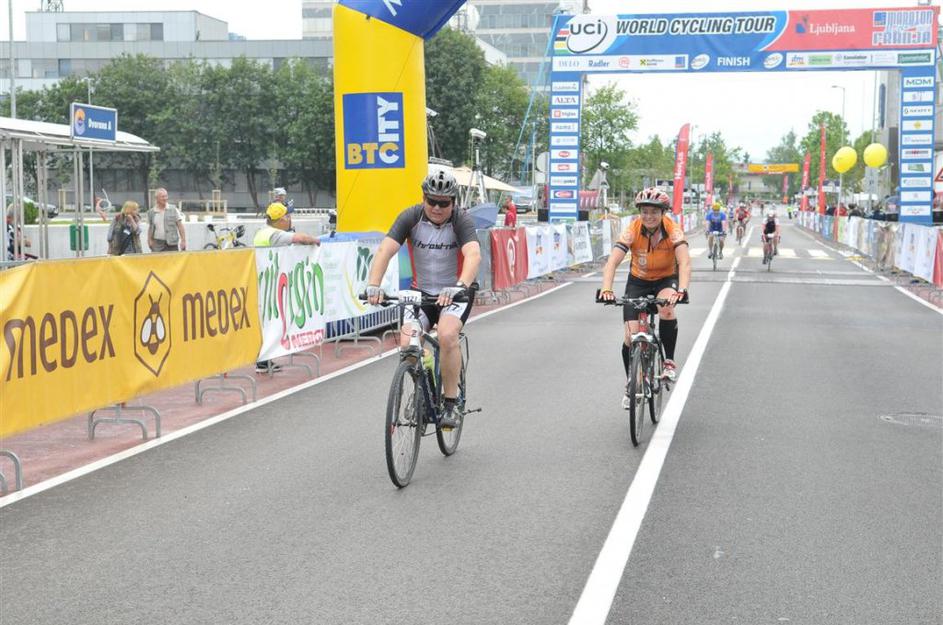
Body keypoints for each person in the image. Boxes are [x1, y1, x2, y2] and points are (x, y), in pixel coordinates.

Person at [366, 170, 482, 429]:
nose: (437, 208)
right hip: (420, 293)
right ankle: (423, 381)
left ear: (453, 202)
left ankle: (450, 403)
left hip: (455, 293)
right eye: (432, 201)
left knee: (447, 335)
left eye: (444, 203)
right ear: (423, 199)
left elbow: (473, 255)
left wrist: (461, 285)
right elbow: (385, 250)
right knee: (407, 344)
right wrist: (374, 284)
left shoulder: (461, 220)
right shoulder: (411, 216)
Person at [600, 188, 691, 406]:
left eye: (654, 212)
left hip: (665, 279)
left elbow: (684, 262)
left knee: (666, 308)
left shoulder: (673, 231)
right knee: (630, 337)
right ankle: (632, 382)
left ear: (663, 213)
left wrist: (682, 290)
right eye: (644, 211)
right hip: (638, 281)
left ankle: (668, 362)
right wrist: (607, 289)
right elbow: (612, 262)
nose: (649, 216)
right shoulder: (632, 230)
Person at [253, 201, 321, 373]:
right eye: (288, 216)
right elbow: (300, 239)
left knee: (267, 323)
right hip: (270, 285)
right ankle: (263, 359)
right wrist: (315, 240)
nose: (290, 219)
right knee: (270, 322)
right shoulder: (274, 234)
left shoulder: (262, 232)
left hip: (266, 283)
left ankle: (266, 358)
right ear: (281, 219)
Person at [147, 188, 187, 252]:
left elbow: (180, 226)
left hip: (172, 243)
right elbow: (150, 228)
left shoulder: (174, 209)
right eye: (162, 196)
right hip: (157, 244)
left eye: (166, 196)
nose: (165, 198)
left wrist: (183, 240)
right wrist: (149, 240)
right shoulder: (151, 212)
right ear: (157, 198)